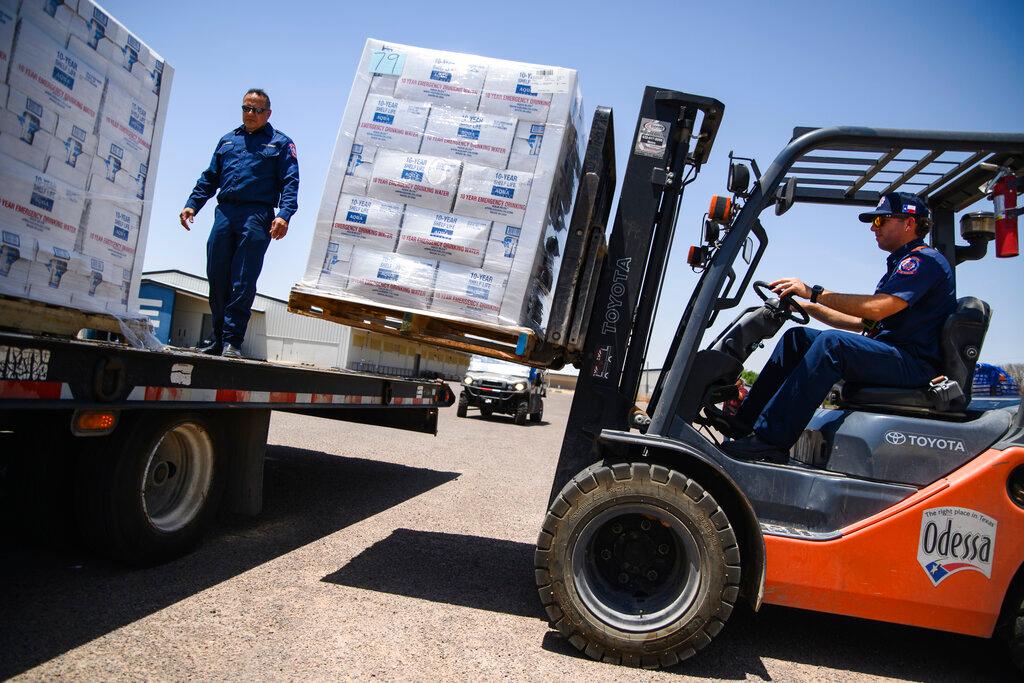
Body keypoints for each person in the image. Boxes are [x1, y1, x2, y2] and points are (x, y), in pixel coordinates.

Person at [724, 192, 955, 463]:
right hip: (891, 353)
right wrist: (807, 306)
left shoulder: (923, 262)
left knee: (832, 345)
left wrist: (814, 292)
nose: (873, 228)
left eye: (881, 220)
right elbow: (862, 322)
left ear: (909, 223)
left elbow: (877, 308)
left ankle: (770, 441)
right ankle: (743, 424)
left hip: (912, 362)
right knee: (798, 339)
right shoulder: (900, 266)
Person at [180, 88, 299, 358]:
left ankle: (233, 341)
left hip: (257, 216)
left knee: (243, 279)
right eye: (246, 108)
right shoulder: (227, 141)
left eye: (256, 110)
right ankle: (217, 338)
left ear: (268, 114)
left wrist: (284, 214)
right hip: (225, 213)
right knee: (217, 275)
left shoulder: (280, 144)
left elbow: (290, 182)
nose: (250, 114)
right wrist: (192, 204)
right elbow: (209, 177)